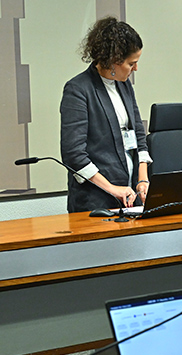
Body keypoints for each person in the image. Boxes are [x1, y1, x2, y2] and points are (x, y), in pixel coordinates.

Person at [60, 17, 151, 213]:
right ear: (114, 61)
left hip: (129, 197)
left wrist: (142, 179)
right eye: (131, 63)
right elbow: (74, 155)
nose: (136, 68)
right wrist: (112, 189)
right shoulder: (78, 90)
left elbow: (139, 136)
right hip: (95, 202)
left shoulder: (124, 84)